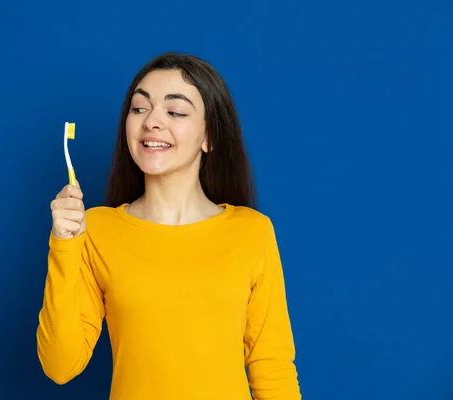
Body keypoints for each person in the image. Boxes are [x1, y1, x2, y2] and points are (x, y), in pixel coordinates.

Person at [36, 52, 301, 400]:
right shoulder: (96, 230)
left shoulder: (252, 232)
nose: (152, 122)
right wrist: (64, 245)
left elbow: (273, 368)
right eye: (139, 108)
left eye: (175, 111)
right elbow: (60, 365)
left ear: (210, 138)